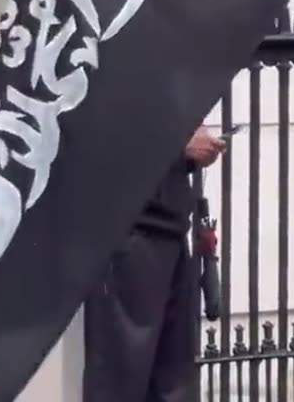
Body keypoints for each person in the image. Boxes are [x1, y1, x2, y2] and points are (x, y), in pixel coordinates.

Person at [83, 126, 224, 402]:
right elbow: (104, 125)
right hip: (128, 233)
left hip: (168, 226)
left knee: (172, 382)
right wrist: (177, 142)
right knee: (121, 380)